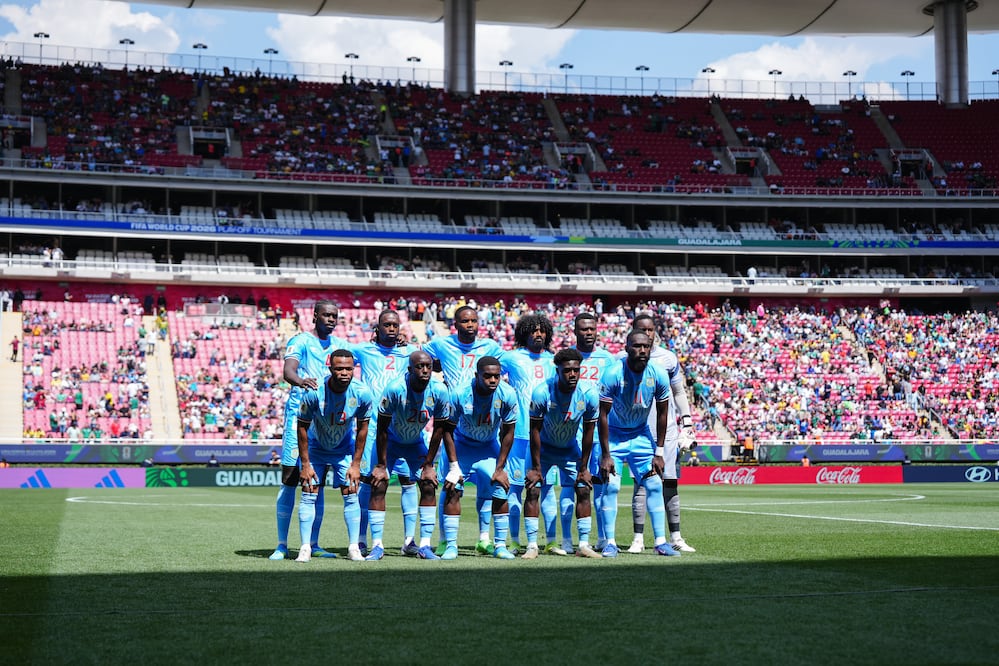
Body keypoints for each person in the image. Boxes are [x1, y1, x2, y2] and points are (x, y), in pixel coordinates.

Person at [269, 300, 348, 561]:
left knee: (317, 482)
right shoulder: (301, 341)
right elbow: (288, 371)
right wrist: (301, 381)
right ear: (315, 316)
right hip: (299, 417)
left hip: (326, 421)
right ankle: (281, 544)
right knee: (291, 477)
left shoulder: (339, 347)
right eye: (326, 315)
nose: (330, 319)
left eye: (334, 316)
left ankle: (313, 544)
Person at [423, 304, 503, 553]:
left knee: (489, 485)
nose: (470, 325)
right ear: (455, 324)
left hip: (483, 421)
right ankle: (447, 540)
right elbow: (421, 359)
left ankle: (484, 539)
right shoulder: (440, 344)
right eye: (465, 321)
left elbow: (503, 368)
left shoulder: (490, 347)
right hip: (455, 423)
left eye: (473, 321)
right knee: (450, 486)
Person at [593, 329, 678, 558]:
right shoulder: (613, 373)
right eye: (637, 346)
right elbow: (602, 415)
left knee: (654, 486)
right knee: (611, 487)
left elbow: (663, 413)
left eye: (646, 346)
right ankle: (610, 542)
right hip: (615, 437)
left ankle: (660, 542)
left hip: (641, 436)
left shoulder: (659, 374)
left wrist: (658, 451)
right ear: (627, 347)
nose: (642, 350)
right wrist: (606, 453)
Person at [367, 350, 451, 560]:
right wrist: (381, 464)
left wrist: (430, 464)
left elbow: (439, 429)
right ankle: (377, 545)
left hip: (415, 443)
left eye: (428, 367)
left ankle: (424, 545)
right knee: (379, 484)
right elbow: (382, 428)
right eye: (419, 367)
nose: (424, 370)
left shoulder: (439, 391)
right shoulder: (395, 388)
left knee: (429, 484)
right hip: (392, 441)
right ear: (409, 369)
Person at [626, 314, 697, 554]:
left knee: (670, 482)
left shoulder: (668, 358)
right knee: (641, 483)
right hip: (640, 430)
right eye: (641, 330)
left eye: (650, 330)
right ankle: (638, 538)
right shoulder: (624, 360)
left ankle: (676, 536)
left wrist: (687, 422)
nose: (647, 334)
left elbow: (679, 392)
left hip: (667, 432)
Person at [522, 348, 602, 559]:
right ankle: (532, 545)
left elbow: (589, 433)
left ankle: (583, 545)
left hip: (569, 449)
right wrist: (536, 468)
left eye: (576, 370)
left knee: (584, 488)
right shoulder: (542, 392)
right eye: (567, 370)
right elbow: (534, 431)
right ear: (557, 370)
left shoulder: (589, 394)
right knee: (533, 489)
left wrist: (584, 468)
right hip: (544, 449)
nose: (573, 374)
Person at [294, 349, 372, 562]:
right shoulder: (314, 392)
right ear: (330, 369)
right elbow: (301, 428)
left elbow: (363, 429)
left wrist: (356, 464)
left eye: (349, 368)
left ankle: (353, 547)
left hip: (343, 450)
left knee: (351, 493)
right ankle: (305, 547)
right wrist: (305, 463)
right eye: (339, 368)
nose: (345, 373)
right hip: (316, 449)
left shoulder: (362, 393)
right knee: (309, 492)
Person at [438, 356, 518, 560]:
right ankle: (450, 545)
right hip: (461, 446)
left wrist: (500, 468)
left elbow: (508, 433)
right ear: (477, 376)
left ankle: (499, 545)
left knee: (500, 487)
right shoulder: (459, 393)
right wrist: (454, 466)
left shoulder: (507, 394)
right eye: (488, 376)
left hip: (488, 446)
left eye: (496, 376)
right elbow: (447, 430)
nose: (493, 380)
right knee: (453, 488)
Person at [351, 309, 418, 555]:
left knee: (408, 480)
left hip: (401, 428)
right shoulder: (363, 350)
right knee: (370, 481)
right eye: (386, 325)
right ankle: (360, 538)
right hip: (371, 427)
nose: (391, 329)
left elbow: (432, 363)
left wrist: (410, 344)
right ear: (377, 328)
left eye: (395, 325)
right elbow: (338, 356)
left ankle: (409, 541)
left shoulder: (408, 353)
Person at [499, 313, 556, 554]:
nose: (538, 334)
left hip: (546, 436)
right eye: (533, 330)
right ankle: (514, 540)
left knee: (547, 487)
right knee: (514, 487)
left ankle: (551, 541)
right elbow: (486, 374)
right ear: (524, 333)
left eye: (542, 330)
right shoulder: (511, 358)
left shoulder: (554, 361)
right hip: (519, 434)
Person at [570, 312, 617, 549]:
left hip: (598, 433)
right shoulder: (567, 357)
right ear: (575, 331)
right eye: (583, 329)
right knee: (571, 486)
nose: (588, 333)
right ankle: (568, 541)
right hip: (570, 432)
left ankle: (604, 539)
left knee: (602, 485)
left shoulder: (608, 359)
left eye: (592, 329)